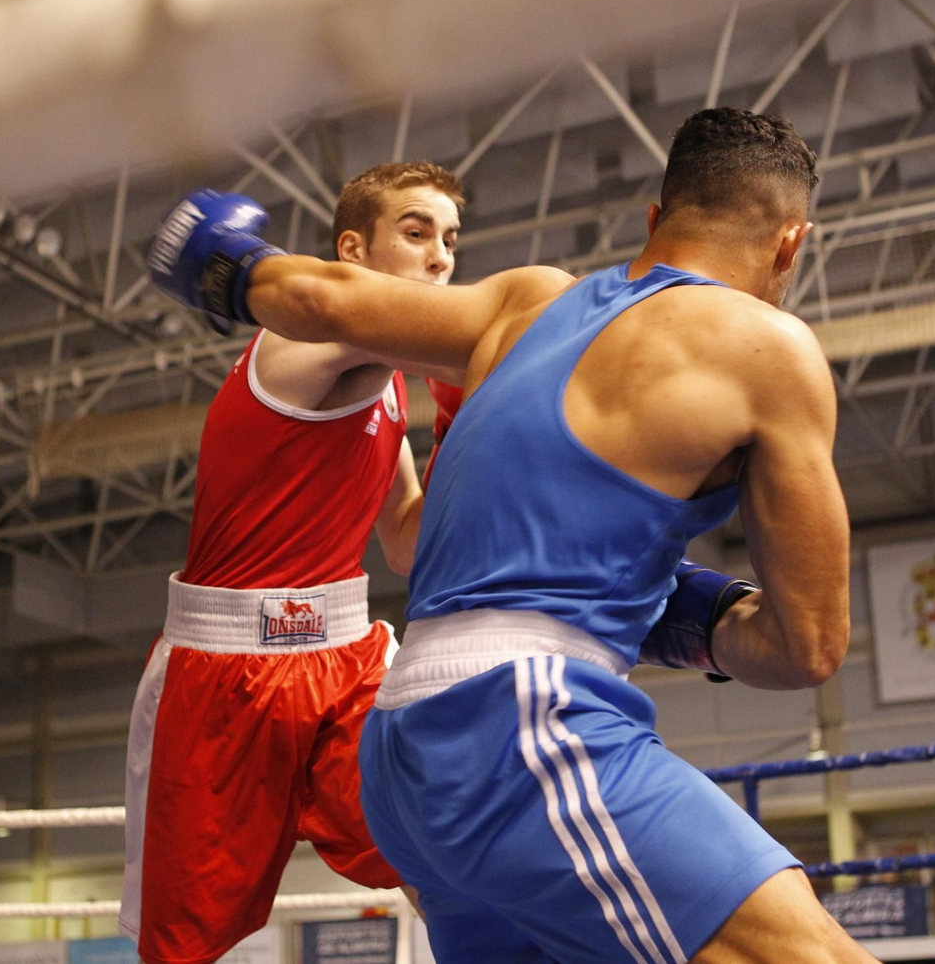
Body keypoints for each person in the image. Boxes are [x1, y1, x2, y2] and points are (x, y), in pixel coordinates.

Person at [146, 108, 876, 964]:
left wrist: (226, 260)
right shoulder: (772, 349)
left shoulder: (528, 299)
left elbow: (312, 297)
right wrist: (692, 611)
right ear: (791, 244)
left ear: (653, 220)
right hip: (519, 729)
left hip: (398, 748)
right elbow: (809, 649)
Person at [121, 162, 464, 964]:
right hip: (224, 674)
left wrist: (453, 419)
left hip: (345, 658)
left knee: (442, 856)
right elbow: (452, 331)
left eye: (450, 239)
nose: (441, 256)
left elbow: (406, 540)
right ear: (352, 250)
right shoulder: (308, 335)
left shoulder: (385, 380)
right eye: (416, 232)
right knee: (185, 947)